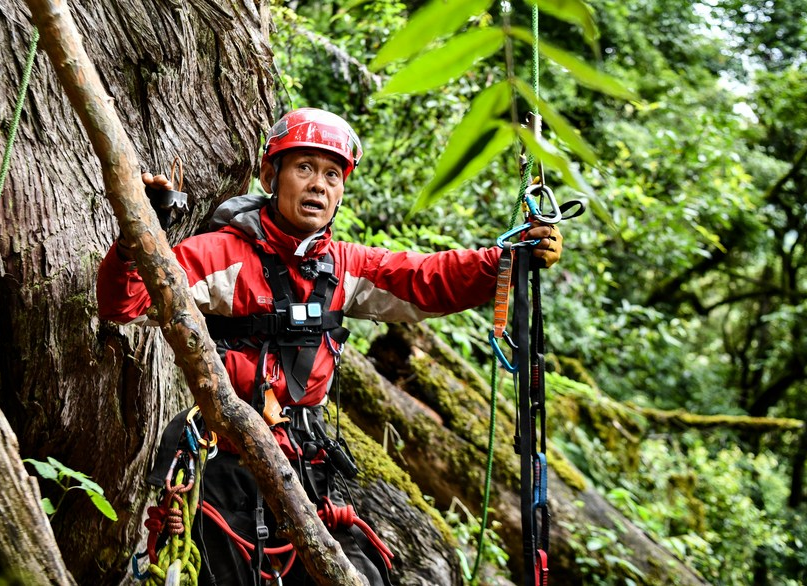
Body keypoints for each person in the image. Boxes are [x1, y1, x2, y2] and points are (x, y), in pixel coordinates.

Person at [97, 108, 562, 585]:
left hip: (305, 456)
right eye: (304, 168)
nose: (318, 185)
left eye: (332, 175)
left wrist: (507, 260)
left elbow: (425, 280)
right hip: (223, 458)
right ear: (269, 175)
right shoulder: (220, 255)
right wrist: (138, 239)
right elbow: (127, 303)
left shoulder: (344, 267)